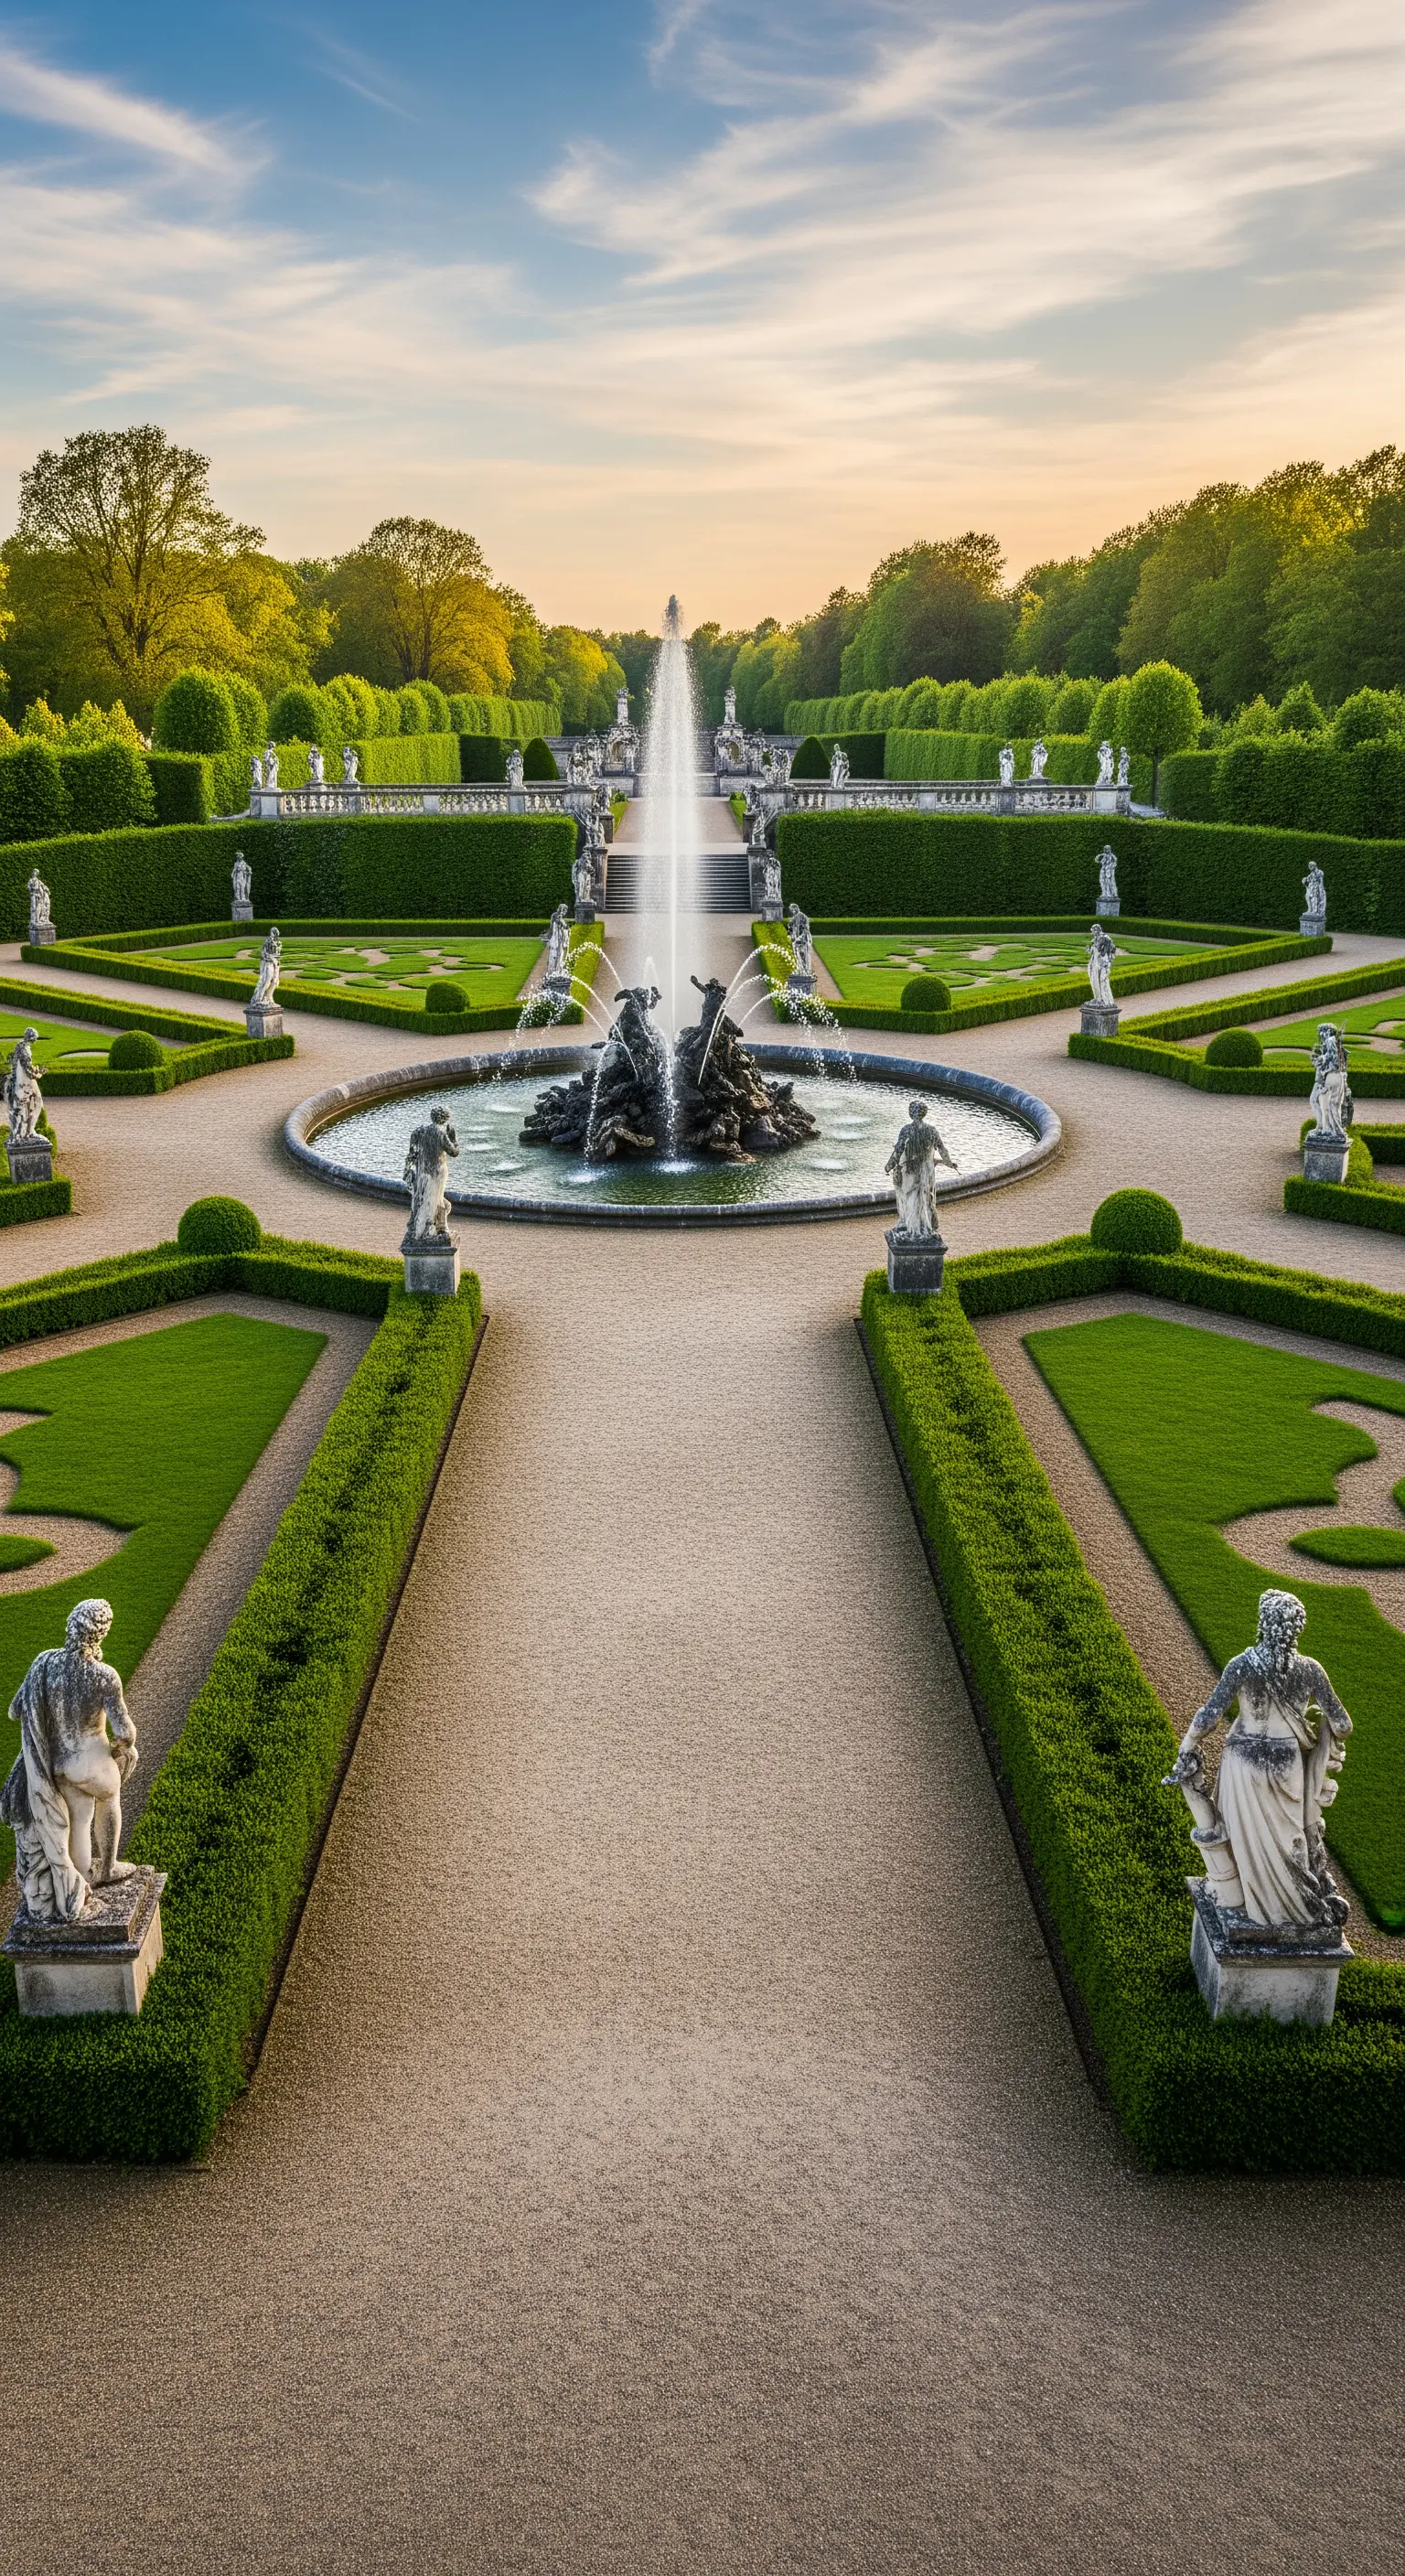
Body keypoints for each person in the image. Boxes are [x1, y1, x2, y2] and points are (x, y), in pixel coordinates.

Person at [1164, 1588, 1351, 1931]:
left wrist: (1188, 1743)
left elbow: (1209, 1716)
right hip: (1286, 1763)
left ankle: (1250, 1904)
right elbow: (1342, 1723)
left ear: (1264, 1624)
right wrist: (1318, 1736)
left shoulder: (1243, 1664)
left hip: (1244, 1760)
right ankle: (1293, 1907)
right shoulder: (1310, 1670)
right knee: (1287, 1839)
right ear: (1296, 1629)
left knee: (1240, 1837)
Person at [0, 1599, 138, 1926]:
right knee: (109, 1796)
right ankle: (106, 1868)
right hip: (90, 1762)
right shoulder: (104, 1676)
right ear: (100, 1634)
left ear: (71, 1627)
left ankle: (78, 1882)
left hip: (57, 1764)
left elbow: (15, 1709)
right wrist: (126, 1747)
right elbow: (124, 1730)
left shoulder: (45, 1664)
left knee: (77, 1821)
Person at [885, 1100, 955, 1237]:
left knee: (910, 1195)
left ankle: (912, 1228)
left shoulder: (906, 1129)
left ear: (911, 1113)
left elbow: (898, 1150)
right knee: (925, 1197)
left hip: (911, 1169)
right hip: (926, 1169)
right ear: (924, 1113)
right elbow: (942, 1148)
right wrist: (948, 1162)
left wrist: (889, 1166)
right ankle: (925, 1226)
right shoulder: (931, 1130)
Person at [403, 1105, 458, 1240]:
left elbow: (412, 1155)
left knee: (424, 1199)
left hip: (422, 1172)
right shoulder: (441, 1134)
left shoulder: (419, 1132)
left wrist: (408, 1170)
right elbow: (454, 1152)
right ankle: (435, 1228)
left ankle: (428, 1226)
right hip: (437, 1172)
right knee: (436, 1199)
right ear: (445, 1118)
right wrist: (454, 1139)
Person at [1309, 1023, 1350, 1139]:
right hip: (1334, 1077)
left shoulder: (1330, 1041)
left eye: (1321, 1031)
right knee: (1328, 1104)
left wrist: (1322, 1060)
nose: (1319, 1034)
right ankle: (1326, 1128)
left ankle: (1330, 1129)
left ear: (1327, 1031)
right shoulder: (1331, 1042)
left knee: (1329, 1105)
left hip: (1332, 1077)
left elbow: (1334, 1062)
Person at [5, 1029, 43, 1143]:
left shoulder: (19, 1046)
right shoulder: (25, 1049)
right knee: (36, 1104)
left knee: (23, 1108)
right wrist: (38, 1074)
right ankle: (28, 1132)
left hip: (19, 1082)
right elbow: (28, 1070)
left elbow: (17, 1064)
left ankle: (21, 1133)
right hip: (25, 1083)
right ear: (33, 1038)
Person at [251, 925, 282, 1010]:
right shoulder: (267, 942)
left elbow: (278, 953)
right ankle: (258, 999)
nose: (275, 936)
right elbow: (263, 954)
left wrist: (276, 959)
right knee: (266, 980)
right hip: (268, 963)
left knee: (275, 981)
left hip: (276, 963)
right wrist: (272, 958)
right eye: (275, 934)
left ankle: (269, 997)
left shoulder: (279, 943)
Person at [1086, 922, 1117, 1007]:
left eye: (1093, 931)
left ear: (1096, 931)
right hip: (1095, 963)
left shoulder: (1104, 938)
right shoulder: (1096, 938)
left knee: (1102, 980)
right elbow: (1094, 951)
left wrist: (1107, 960)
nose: (1092, 933)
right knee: (1094, 980)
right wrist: (1090, 949)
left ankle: (1105, 1000)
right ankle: (1098, 998)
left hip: (1102, 963)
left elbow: (1112, 949)